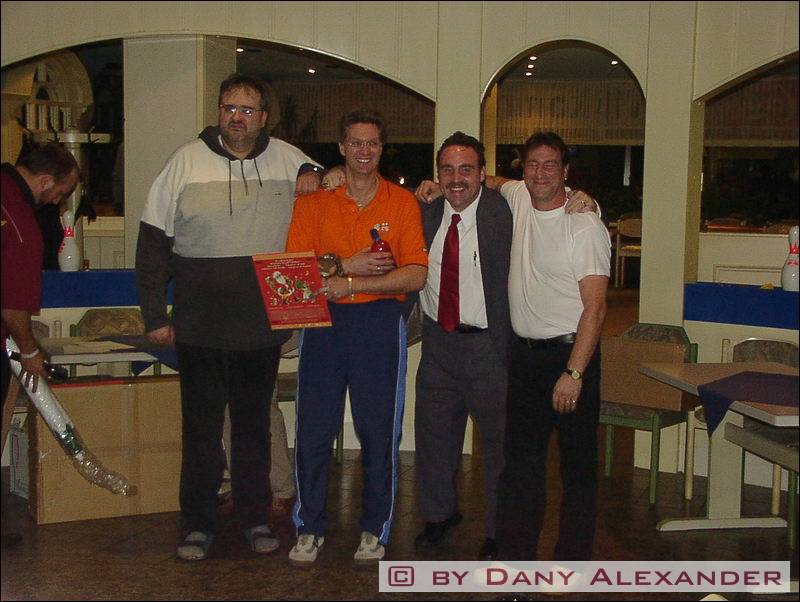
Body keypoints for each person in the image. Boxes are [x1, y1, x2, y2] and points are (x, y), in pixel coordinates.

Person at [135, 73, 323, 561]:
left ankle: (254, 520)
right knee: (200, 433)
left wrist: (314, 171)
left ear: (264, 117)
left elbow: (325, 185)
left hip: (261, 328)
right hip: (198, 326)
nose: (236, 117)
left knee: (253, 431)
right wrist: (155, 315)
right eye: (228, 108)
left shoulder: (289, 158)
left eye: (247, 109)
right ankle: (196, 525)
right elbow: (152, 245)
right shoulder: (184, 162)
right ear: (219, 112)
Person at [285, 109, 428, 565]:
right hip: (323, 325)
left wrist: (348, 283)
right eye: (356, 143)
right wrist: (348, 265)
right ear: (342, 148)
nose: (365, 151)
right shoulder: (313, 203)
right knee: (313, 430)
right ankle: (309, 527)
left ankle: (374, 529)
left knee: (378, 431)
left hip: (378, 324)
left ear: (381, 149)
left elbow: (416, 275)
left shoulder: (400, 202)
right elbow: (295, 274)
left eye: (373, 143)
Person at [492, 131, 610, 563]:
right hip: (524, 360)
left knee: (577, 469)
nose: (540, 173)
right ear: (523, 169)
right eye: (532, 164)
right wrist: (434, 186)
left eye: (550, 165)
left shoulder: (584, 224)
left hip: (571, 357)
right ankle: (517, 565)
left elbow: (596, 307)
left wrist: (574, 373)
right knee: (521, 469)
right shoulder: (518, 196)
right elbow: (485, 180)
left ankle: (573, 564)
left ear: (565, 171)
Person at [412, 132, 512, 561]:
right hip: (438, 344)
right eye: (448, 170)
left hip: (488, 347)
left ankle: (499, 530)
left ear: (482, 174)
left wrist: (586, 202)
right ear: (437, 175)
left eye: (466, 169)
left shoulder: (504, 211)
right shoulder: (424, 211)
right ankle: (439, 516)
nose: (456, 179)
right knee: (433, 438)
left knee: (499, 447)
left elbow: (551, 197)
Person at [2, 142, 80, 546]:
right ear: (46, 181)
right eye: (61, 193)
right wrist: (30, 351)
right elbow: (13, 306)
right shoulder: (20, 224)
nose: (57, 201)